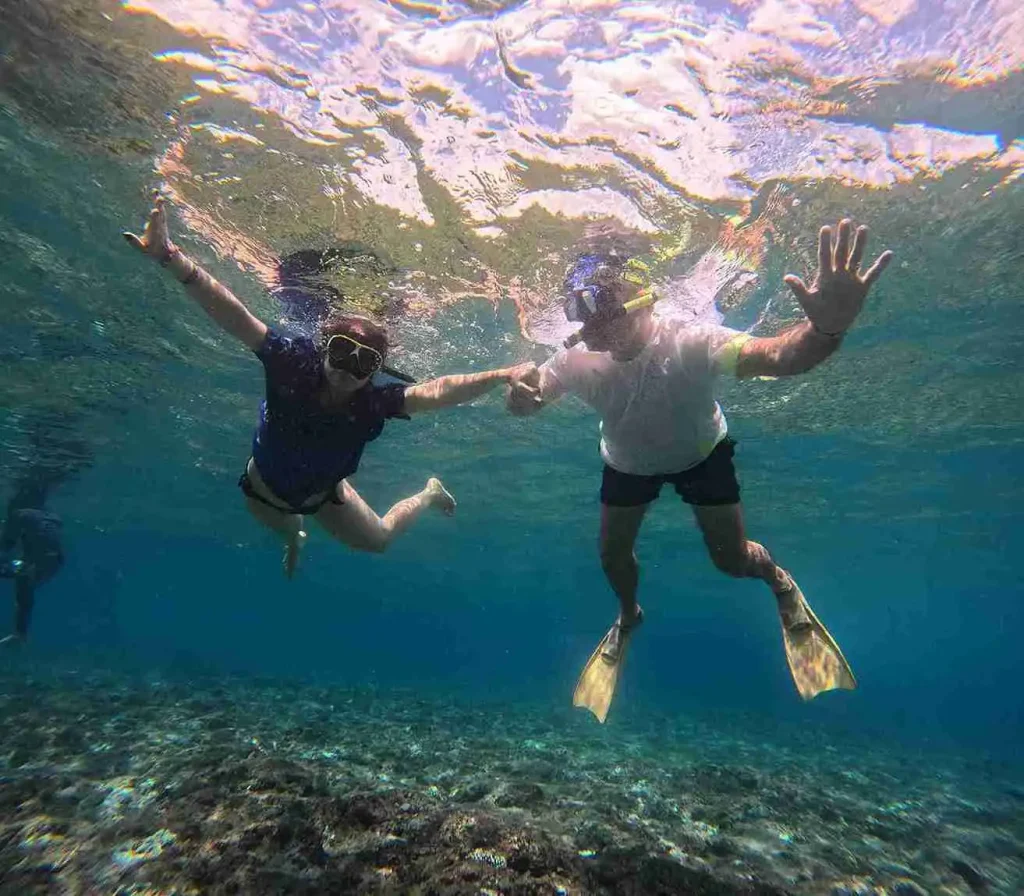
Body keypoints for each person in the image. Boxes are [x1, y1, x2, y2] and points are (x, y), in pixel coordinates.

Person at [507, 219, 893, 721]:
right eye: (585, 323)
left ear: (642, 297)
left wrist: (827, 328)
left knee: (731, 561)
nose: (596, 335)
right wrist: (522, 399)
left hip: (701, 454)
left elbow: (780, 357)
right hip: (626, 462)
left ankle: (779, 581)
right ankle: (628, 617)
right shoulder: (575, 357)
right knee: (611, 557)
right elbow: (534, 397)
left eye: (606, 317)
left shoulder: (691, 340)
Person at [125, 194, 535, 576]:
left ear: (376, 370)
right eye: (340, 352)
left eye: (364, 363)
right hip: (261, 493)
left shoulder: (374, 403)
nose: (348, 369)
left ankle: (427, 494)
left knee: (379, 541)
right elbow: (235, 315)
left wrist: (501, 375)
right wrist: (171, 258)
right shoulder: (290, 364)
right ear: (322, 348)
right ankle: (293, 538)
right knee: (288, 528)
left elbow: (436, 391)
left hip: (325, 496)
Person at [0, 474, 65, 646]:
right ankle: (20, 634)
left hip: (36, 562)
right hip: (55, 562)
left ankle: (20, 634)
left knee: (22, 581)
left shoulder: (19, 514)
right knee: (24, 581)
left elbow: (6, 545)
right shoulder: (52, 516)